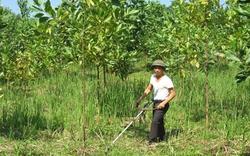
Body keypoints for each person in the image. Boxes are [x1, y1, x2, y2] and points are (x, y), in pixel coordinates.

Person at [136, 59, 176, 147]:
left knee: (155, 121)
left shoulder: (166, 80)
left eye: (159, 68)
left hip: (163, 103)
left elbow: (173, 93)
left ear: (162, 69)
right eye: (155, 68)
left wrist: (164, 103)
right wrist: (140, 99)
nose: (157, 70)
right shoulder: (153, 77)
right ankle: (162, 138)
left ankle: (152, 141)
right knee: (159, 121)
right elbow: (148, 89)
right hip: (156, 102)